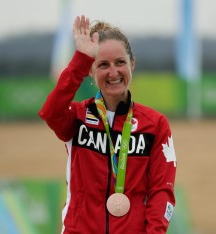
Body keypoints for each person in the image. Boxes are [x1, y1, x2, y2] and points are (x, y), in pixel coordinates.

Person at [39, 15, 177, 234]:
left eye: (120, 62)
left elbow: (162, 191)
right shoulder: (77, 116)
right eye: (103, 65)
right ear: (90, 71)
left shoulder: (155, 124)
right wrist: (80, 60)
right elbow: (50, 112)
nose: (113, 73)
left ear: (132, 63)